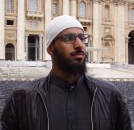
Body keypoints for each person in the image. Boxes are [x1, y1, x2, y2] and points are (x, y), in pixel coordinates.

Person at [1, 15, 132, 130]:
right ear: (51, 49)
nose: (79, 45)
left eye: (82, 37)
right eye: (69, 38)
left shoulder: (111, 95)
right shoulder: (21, 98)